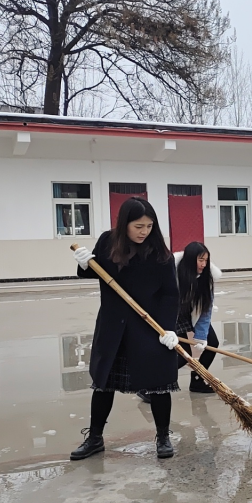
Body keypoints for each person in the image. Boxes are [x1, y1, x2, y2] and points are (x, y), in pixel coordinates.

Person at [70, 197, 180, 461]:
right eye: (138, 226)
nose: (144, 232)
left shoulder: (160, 253)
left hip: (149, 327)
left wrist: (168, 329)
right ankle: (95, 438)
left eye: (149, 226)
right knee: (104, 384)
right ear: (124, 224)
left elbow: (170, 294)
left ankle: (163, 437)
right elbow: (93, 272)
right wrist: (84, 263)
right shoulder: (109, 242)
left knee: (159, 385)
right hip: (114, 324)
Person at [174, 242, 223, 394]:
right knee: (183, 353)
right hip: (174, 314)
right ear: (189, 259)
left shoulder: (207, 278)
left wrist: (201, 336)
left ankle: (198, 381)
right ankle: (151, 386)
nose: (204, 264)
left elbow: (205, 309)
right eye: (200, 260)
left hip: (193, 313)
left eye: (206, 260)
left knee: (212, 343)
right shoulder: (172, 272)